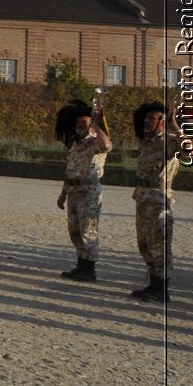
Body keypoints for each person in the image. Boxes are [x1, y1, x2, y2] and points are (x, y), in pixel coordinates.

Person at [55, 98, 113, 282]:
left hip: (88, 193)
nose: (81, 125)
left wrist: (97, 126)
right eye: (79, 122)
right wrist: (63, 195)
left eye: (85, 122)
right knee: (75, 232)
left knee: (88, 231)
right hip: (73, 192)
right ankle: (81, 266)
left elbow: (107, 146)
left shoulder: (95, 142)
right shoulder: (75, 144)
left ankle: (89, 270)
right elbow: (69, 171)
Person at [129, 101, 183, 301]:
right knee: (144, 244)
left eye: (151, 118)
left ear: (163, 121)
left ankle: (162, 290)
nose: (146, 121)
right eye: (146, 117)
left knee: (160, 245)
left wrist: (176, 127)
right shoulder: (146, 141)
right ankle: (153, 285)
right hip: (143, 198)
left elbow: (190, 152)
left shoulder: (170, 141)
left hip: (159, 199)